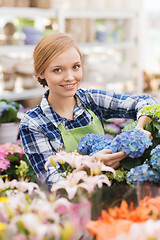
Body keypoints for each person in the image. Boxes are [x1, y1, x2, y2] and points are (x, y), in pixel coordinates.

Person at [19, 32, 157, 189]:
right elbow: (52, 182)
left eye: (75, 67)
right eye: (58, 70)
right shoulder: (33, 123)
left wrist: (138, 129)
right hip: (73, 206)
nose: (70, 77)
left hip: (108, 195)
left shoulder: (90, 99)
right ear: (41, 72)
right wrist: (91, 166)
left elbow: (146, 102)